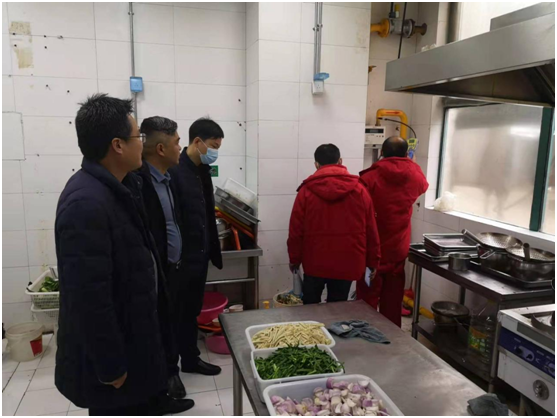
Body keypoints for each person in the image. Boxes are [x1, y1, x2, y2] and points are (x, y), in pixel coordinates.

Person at [54, 94, 193, 416]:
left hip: (136, 338)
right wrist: (110, 366)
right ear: (117, 145)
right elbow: (88, 298)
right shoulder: (86, 204)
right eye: (137, 136)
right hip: (114, 361)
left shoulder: (122, 186)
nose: (142, 143)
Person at [287, 144, 381, 304]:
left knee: (310, 308)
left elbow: (296, 230)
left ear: (316, 164)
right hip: (348, 261)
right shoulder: (359, 190)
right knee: (338, 307)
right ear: (340, 161)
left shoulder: (306, 191)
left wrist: (294, 259)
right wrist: (373, 261)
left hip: (314, 261)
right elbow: (371, 229)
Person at [135, 116, 187, 399]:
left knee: (172, 321)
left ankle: (171, 370)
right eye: (177, 142)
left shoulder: (169, 178)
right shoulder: (138, 182)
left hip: (174, 267)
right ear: (160, 148)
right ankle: (164, 379)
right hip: (155, 271)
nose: (180, 147)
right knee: (157, 325)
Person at [168, 117, 223, 376]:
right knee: (175, 315)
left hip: (199, 258)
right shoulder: (175, 171)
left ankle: (191, 360)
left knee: (191, 311)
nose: (215, 152)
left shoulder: (203, 170)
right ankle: (170, 371)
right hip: (181, 261)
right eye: (213, 146)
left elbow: (207, 213)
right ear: (197, 141)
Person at [358, 136, 429, 327]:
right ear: (406, 154)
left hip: (372, 251)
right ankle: (392, 340)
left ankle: (364, 337)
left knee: (366, 302)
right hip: (398, 250)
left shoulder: (369, 177)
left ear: (382, 152)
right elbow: (423, 186)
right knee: (392, 302)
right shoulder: (414, 174)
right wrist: (412, 164)